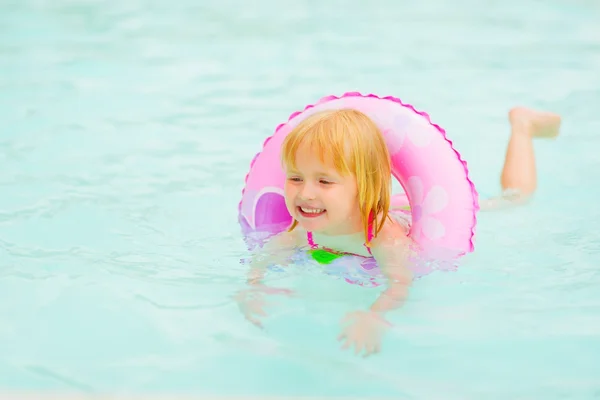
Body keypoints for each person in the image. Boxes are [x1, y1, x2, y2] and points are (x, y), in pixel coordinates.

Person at [234, 105, 561, 357]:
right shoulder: (302, 227)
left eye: (324, 181)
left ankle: (522, 126)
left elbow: (399, 282)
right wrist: (255, 286)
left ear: (362, 187)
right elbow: (266, 255)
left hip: (409, 215)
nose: (305, 194)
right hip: (395, 203)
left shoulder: (381, 237)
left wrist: (375, 315)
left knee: (512, 200)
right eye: (295, 178)